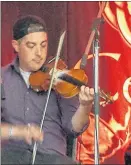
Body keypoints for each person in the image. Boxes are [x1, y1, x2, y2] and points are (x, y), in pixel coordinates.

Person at [1, 15, 94, 164]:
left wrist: (85, 106)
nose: (39, 53)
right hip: (12, 157)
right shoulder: (2, 78)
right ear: (16, 45)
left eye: (43, 45)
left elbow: (73, 128)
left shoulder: (60, 78)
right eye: (31, 46)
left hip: (52, 158)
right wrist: (18, 131)